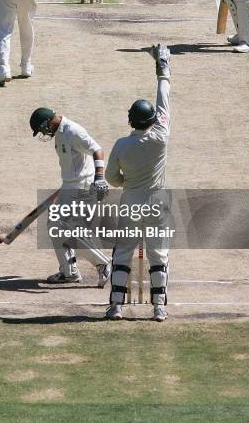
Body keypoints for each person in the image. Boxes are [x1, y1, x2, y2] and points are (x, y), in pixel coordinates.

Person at [104, 45, 172, 322]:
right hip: (156, 202)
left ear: (131, 119)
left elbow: (110, 178)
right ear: (152, 121)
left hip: (131, 200)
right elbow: (164, 102)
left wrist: (124, 182)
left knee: (123, 253)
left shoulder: (122, 145)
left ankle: (117, 307)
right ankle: (159, 308)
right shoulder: (161, 137)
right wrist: (162, 69)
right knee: (159, 256)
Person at [29, 107, 111, 286]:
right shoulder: (59, 133)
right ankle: (69, 272)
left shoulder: (73, 131)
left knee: (68, 229)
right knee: (54, 225)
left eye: (42, 129)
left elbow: (97, 149)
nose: (43, 133)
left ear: (47, 122)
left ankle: (103, 263)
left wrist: (99, 177)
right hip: (70, 187)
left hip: (84, 187)